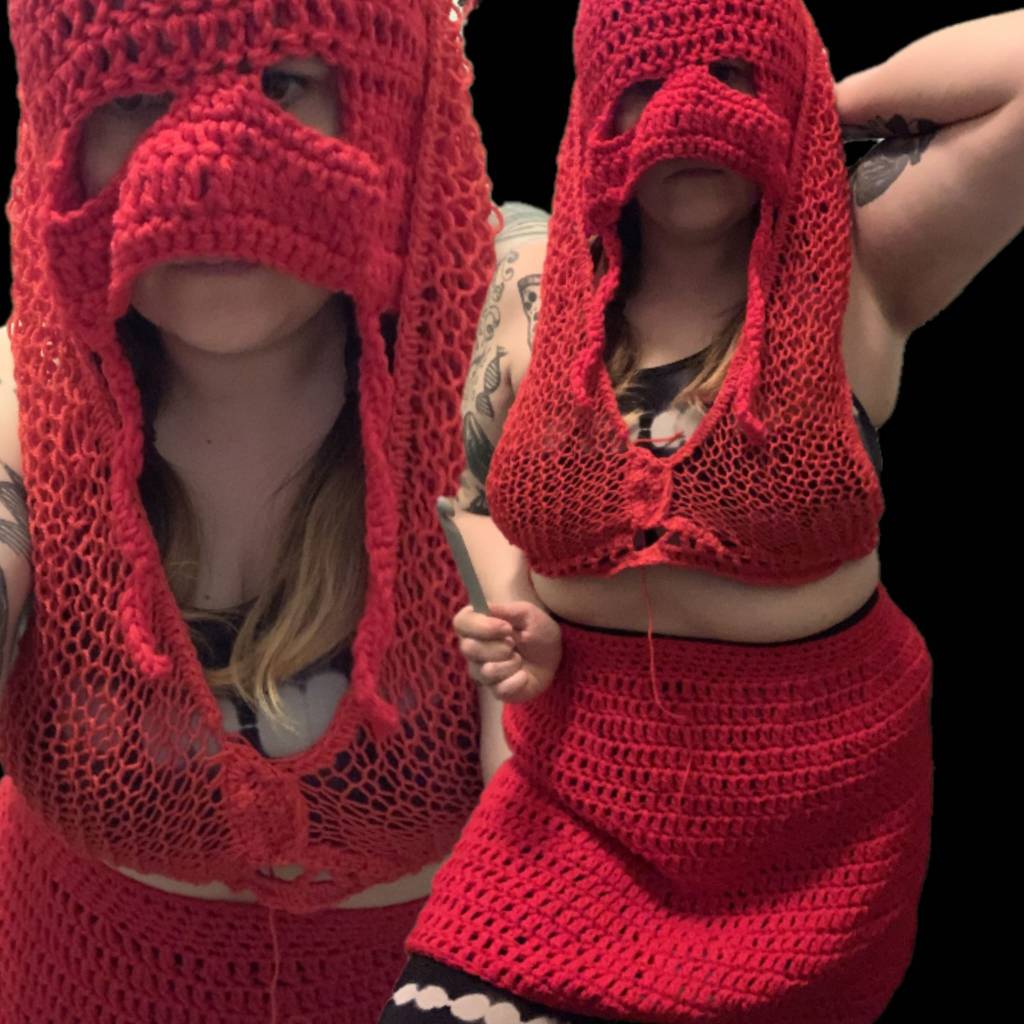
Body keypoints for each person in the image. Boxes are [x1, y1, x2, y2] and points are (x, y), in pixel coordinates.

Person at [383, 1, 1024, 1022]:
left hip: (808, 824)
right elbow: (475, 497)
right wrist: (517, 614)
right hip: (574, 795)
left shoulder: (865, 265)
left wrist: (816, 100)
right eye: (643, 86)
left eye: (731, 76)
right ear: (593, 110)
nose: (687, 115)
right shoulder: (530, 278)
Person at [0, 1, 507, 1021]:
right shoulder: (29, 400)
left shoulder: (498, 350)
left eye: (282, 84)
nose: (207, 168)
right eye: (137, 96)